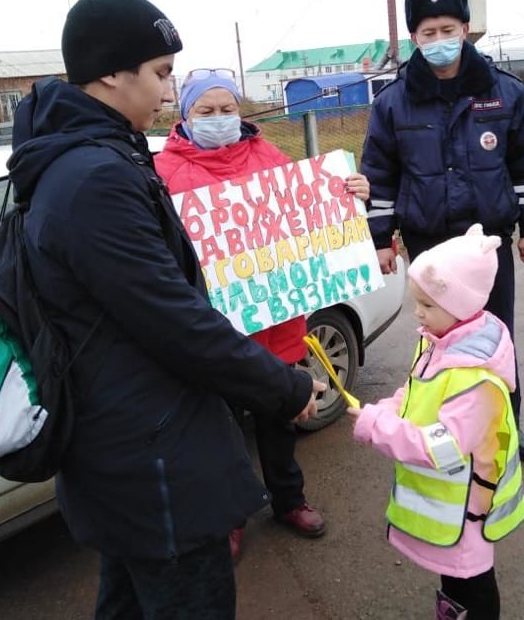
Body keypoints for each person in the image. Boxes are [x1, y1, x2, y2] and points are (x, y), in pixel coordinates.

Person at [9, 0, 324, 620]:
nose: (166, 90)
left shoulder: (89, 159)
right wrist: (283, 387)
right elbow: (172, 318)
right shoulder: (96, 178)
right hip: (152, 458)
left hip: (128, 448)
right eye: (158, 73)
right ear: (108, 72)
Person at [153, 69, 370, 558]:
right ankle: (230, 515)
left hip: (277, 323)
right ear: (184, 115)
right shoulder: (163, 171)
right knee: (221, 429)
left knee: (280, 418)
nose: (218, 120)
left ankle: (289, 499)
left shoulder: (270, 156)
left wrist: (349, 193)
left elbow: (309, 213)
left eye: (226, 110)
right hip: (215, 331)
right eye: (205, 112)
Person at [361, 0, 524, 463]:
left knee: (495, 335)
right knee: (435, 338)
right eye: (429, 32)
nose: (439, 39)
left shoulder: (504, 92)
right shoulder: (392, 103)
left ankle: (506, 426)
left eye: (449, 29)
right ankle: (438, 426)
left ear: (466, 30)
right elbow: (379, 175)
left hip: (486, 244)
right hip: (427, 241)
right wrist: (381, 239)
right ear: (415, 39)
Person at [349, 224, 524, 620]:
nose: (418, 313)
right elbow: (416, 389)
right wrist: (386, 409)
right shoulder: (440, 341)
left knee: (471, 582)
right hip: (455, 508)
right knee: (455, 583)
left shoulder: (473, 378)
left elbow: (439, 447)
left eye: (427, 305)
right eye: (418, 302)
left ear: (462, 306)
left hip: (468, 511)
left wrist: (377, 426)